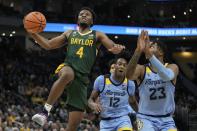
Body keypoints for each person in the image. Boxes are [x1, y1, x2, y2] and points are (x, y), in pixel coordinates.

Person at [24, 7, 125, 131]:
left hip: (82, 80)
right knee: (67, 74)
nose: (83, 15)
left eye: (87, 15)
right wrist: (33, 33)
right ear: (77, 20)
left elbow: (110, 45)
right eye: (81, 14)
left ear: (92, 22)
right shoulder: (69, 33)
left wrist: (115, 48)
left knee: (72, 127)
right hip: (67, 67)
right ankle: (45, 112)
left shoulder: (97, 34)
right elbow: (49, 45)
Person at [126, 30, 179, 131]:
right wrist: (138, 50)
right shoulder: (141, 69)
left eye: (151, 46)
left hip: (167, 119)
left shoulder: (173, 67)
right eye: (147, 46)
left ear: (161, 52)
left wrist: (148, 54)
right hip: (145, 118)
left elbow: (166, 76)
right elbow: (128, 76)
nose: (147, 47)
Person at [88, 51, 138, 131]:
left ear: (127, 69)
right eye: (119, 64)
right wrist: (93, 105)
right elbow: (90, 100)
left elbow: (133, 102)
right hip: (105, 121)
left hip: (123, 119)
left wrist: (142, 115)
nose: (121, 67)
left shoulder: (130, 84)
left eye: (124, 65)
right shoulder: (101, 80)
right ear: (115, 66)